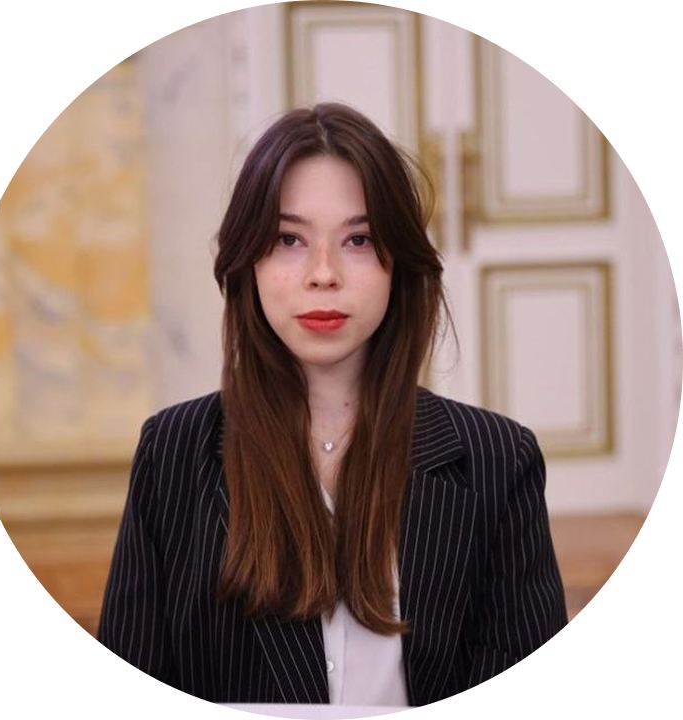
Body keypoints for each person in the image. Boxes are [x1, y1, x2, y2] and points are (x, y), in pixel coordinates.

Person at [97, 102, 567, 707]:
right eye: (289, 239)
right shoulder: (173, 451)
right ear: (248, 261)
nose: (324, 274)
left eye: (358, 239)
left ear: (399, 264)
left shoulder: (497, 459)